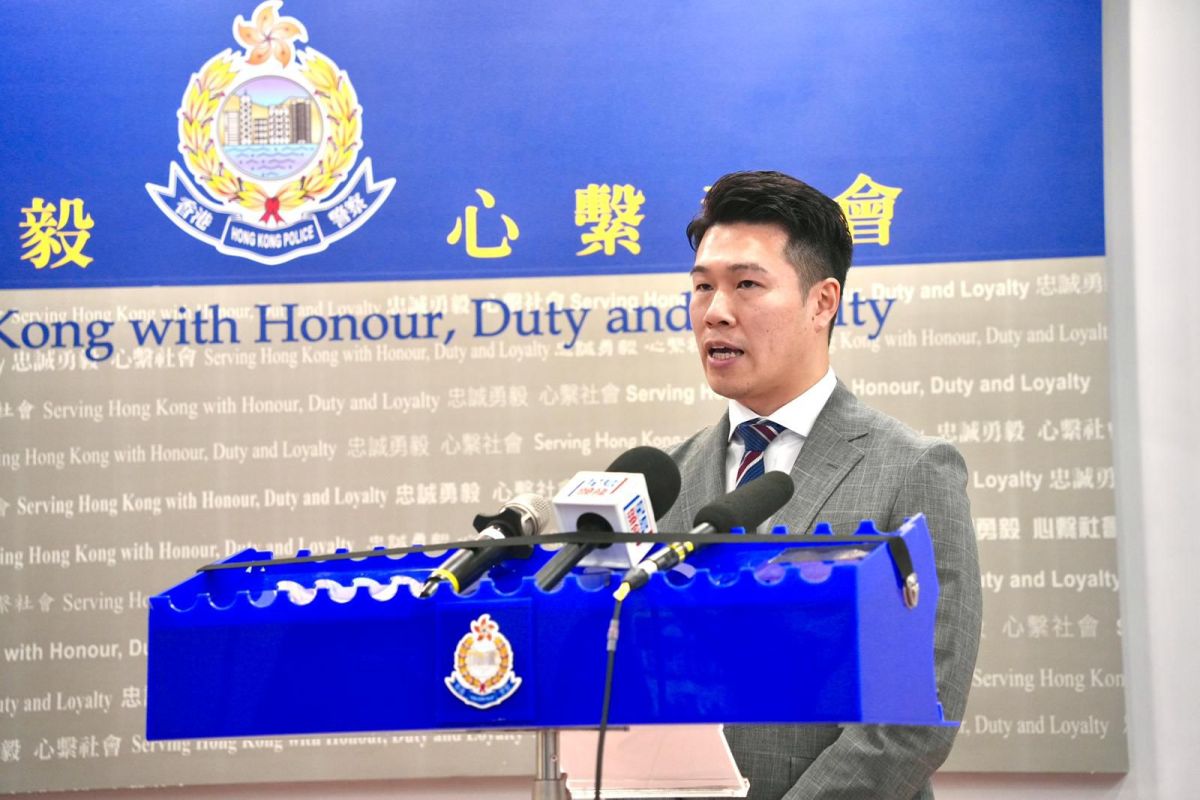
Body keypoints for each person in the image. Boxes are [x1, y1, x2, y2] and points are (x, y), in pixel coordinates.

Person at [656, 171, 982, 800]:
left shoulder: (913, 470)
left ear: (822, 302)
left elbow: (917, 709)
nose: (715, 311)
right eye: (702, 287)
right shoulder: (667, 478)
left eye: (746, 284)